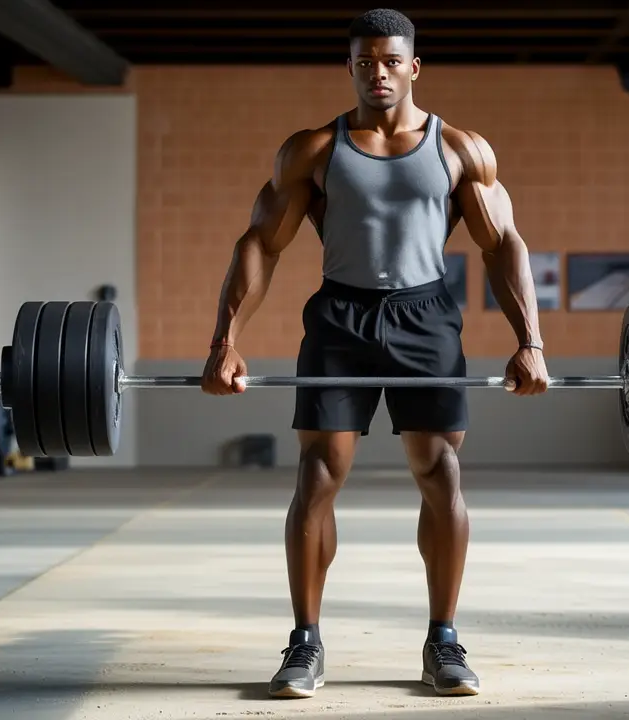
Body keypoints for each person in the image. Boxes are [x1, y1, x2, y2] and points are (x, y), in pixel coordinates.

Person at [200, 7, 548, 700]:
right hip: (341, 318)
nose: (378, 73)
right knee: (319, 473)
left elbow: (502, 244)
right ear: (351, 66)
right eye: (365, 61)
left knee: (440, 471)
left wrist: (530, 342)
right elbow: (261, 244)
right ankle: (305, 642)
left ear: (414, 66)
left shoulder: (461, 150)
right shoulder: (313, 150)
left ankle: (443, 639)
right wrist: (224, 341)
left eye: (391, 61)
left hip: (426, 318)